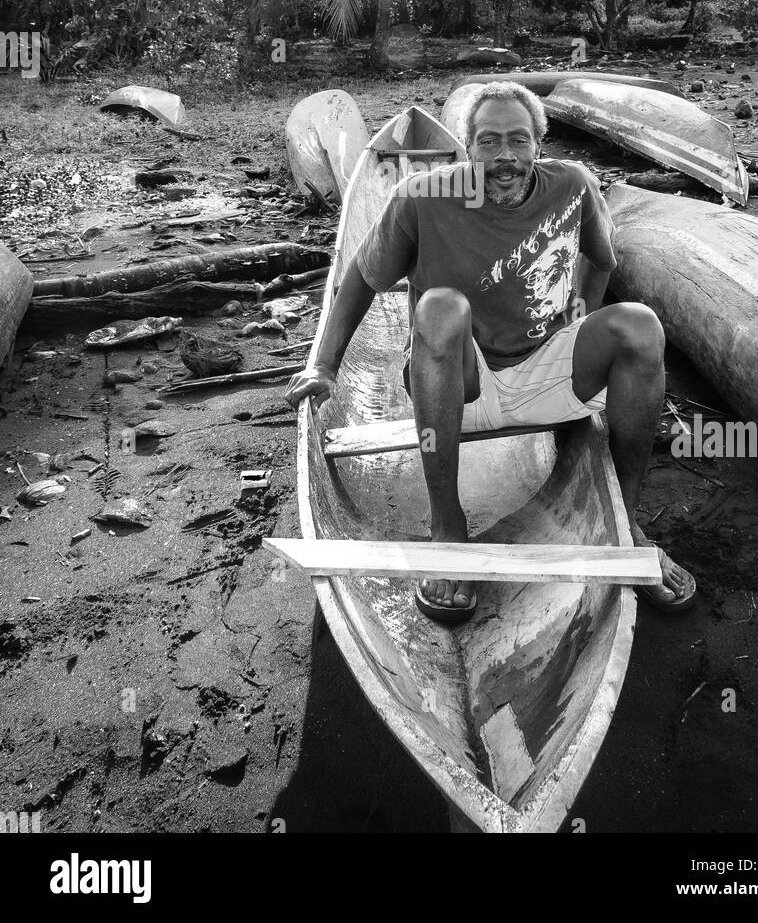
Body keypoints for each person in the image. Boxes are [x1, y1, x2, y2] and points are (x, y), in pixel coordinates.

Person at [285, 81, 696, 625]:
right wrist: (326, 364)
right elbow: (359, 280)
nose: (505, 158)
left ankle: (627, 520)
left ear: (539, 144)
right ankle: (447, 523)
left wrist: (576, 315)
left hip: (545, 373)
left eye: (519, 141)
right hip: (459, 386)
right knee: (439, 308)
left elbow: (602, 259)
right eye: (488, 142)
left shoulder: (573, 185)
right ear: (467, 147)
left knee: (639, 326)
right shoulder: (421, 197)